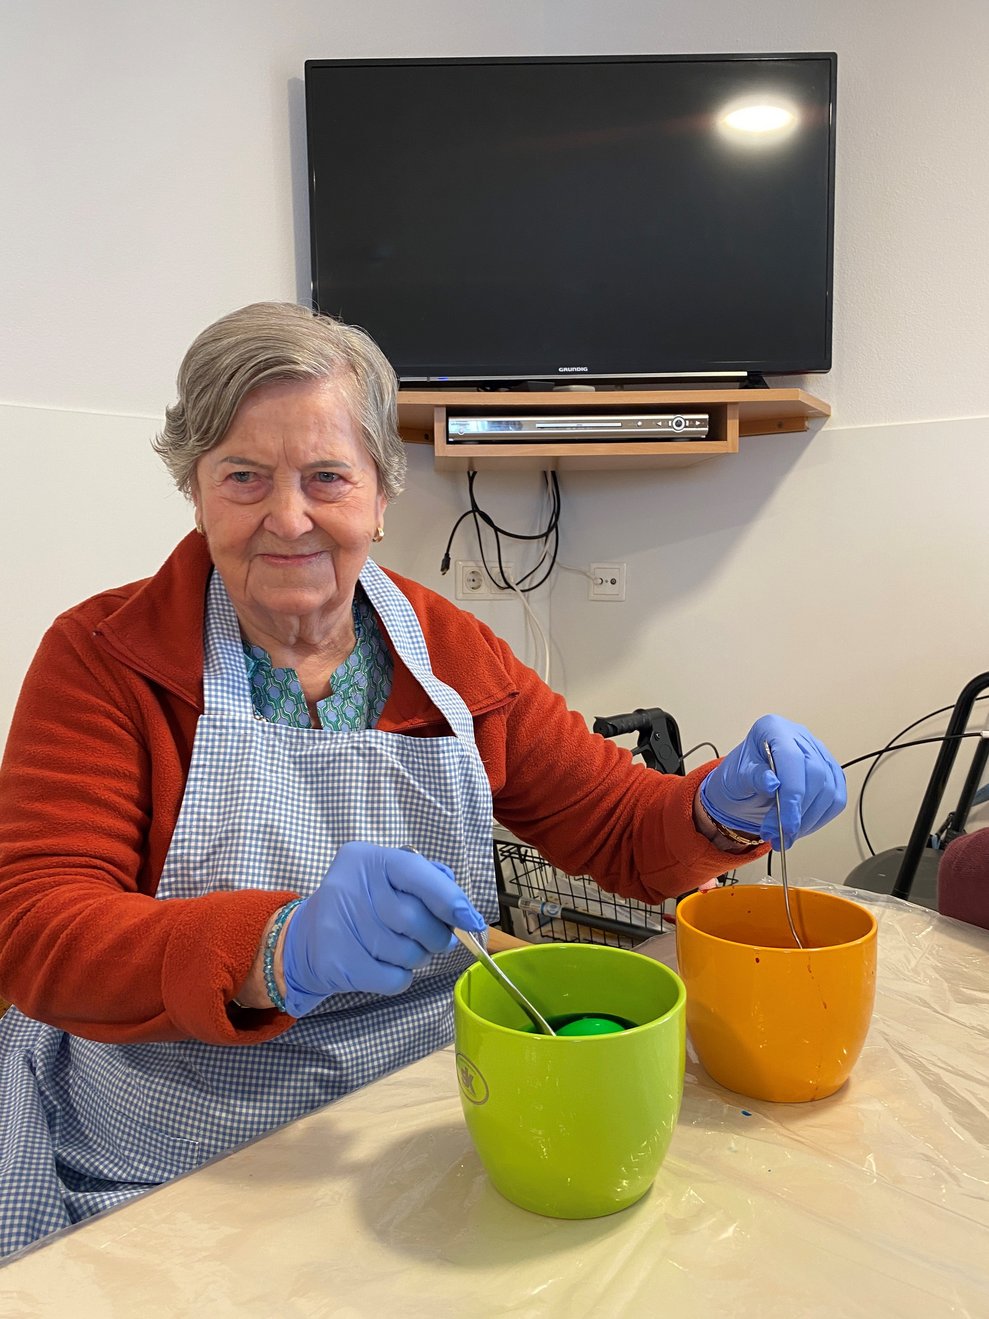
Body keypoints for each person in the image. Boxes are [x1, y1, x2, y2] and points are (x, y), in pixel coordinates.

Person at [0, 301, 846, 1257]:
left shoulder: (447, 651)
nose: (289, 517)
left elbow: (616, 828)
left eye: (327, 476)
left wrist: (716, 807)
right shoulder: (103, 658)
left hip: (415, 1106)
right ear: (194, 488)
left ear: (380, 491)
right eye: (244, 477)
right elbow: (37, 931)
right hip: (172, 1139)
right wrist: (275, 946)